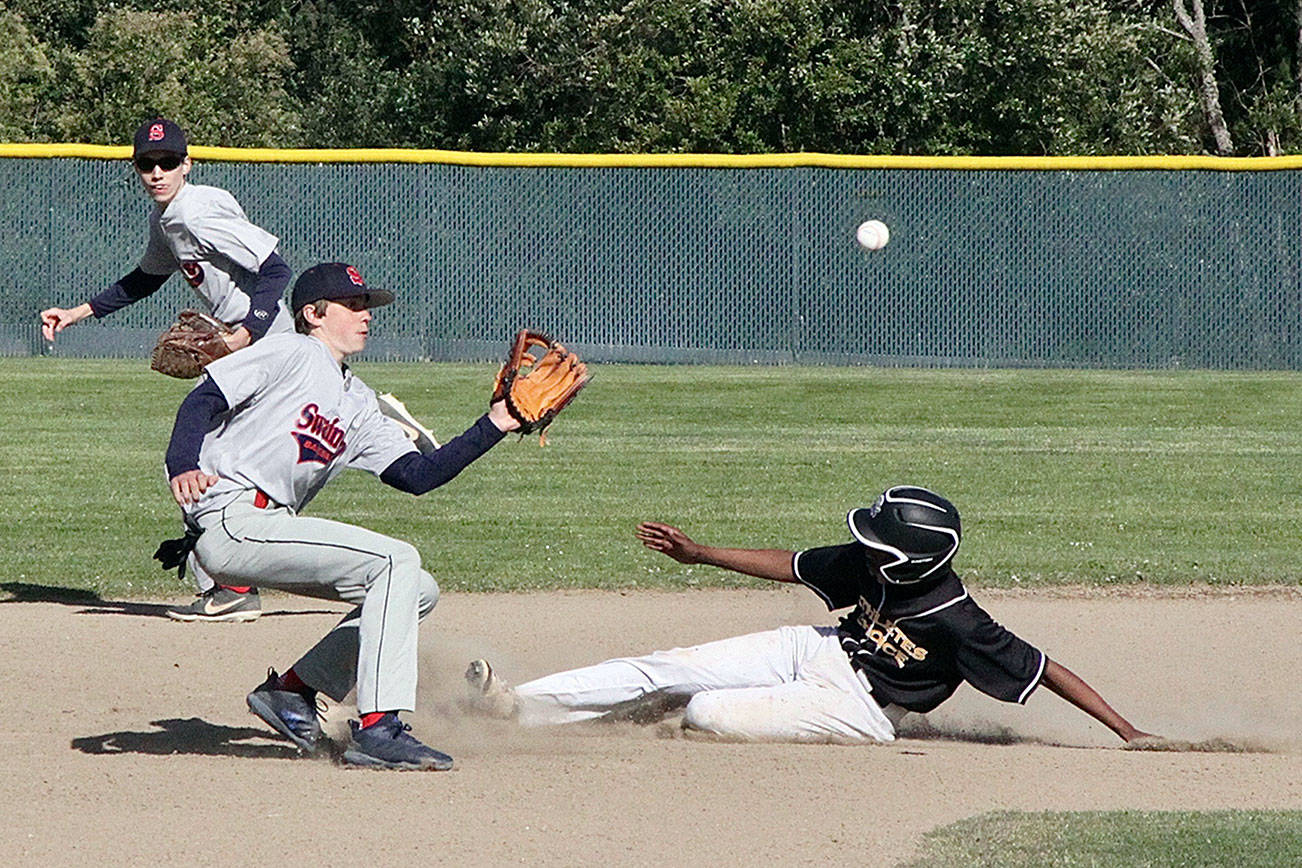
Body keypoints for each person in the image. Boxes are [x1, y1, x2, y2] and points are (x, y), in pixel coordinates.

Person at [465, 485, 1158, 746]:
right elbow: (791, 561)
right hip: (819, 648)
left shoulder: (958, 619)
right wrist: (700, 553)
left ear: (910, 563)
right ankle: (514, 707)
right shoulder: (867, 561)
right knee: (668, 666)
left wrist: (1128, 731)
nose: (863, 546)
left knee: (704, 709)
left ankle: (627, 717)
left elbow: (1047, 670)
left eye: (877, 543)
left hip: (859, 709)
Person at [166, 261, 521, 769]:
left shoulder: (357, 401)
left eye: (367, 306)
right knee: (396, 559)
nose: (365, 315)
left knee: (416, 587)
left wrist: (496, 423)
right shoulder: (292, 350)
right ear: (313, 313)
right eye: (352, 305)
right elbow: (202, 400)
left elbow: (417, 476)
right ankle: (379, 728)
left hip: (270, 526)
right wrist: (183, 465)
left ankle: (294, 691)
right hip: (231, 516)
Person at [40, 117, 294, 623]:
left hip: (261, 345)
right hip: (244, 346)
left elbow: (276, 268)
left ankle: (233, 584)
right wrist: (77, 313)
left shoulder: (195, 211)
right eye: (147, 164)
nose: (157, 172)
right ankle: (231, 576)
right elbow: (145, 279)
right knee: (210, 459)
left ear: (187, 164)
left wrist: (249, 331)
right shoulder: (169, 220)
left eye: (168, 162)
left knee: (192, 456)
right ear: (136, 168)